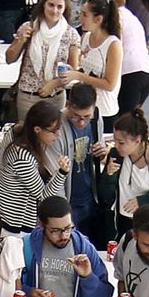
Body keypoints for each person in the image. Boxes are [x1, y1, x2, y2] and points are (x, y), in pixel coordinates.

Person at [18, 194, 113, 297]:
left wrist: (87, 277)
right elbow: (8, 286)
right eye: (55, 231)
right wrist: (28, 292)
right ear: (41, 225)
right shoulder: (27, 247)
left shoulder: (83, 248)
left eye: (68, 228)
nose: (63, 236)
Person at [93, 108, 149, 243]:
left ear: (137, 140)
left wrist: (143, 201)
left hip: (147, 225)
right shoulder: (116, 155)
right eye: (115, 141)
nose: (116, 146)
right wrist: (109, 176)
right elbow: (105, 195)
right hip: (119, 223)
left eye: (121, 142)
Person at [0, 101, 66, 233]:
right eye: (53, 131)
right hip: (13, 225)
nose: (58, 135)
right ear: (37, 130)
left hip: (0, 211)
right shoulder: (23, 157)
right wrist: (62, 172)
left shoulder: (15, 131)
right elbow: (43, 196)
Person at [4, 0, 75, 107]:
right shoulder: (28, 27)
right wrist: (21, 41)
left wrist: (53, 84)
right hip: (28, 97)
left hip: (55, 98)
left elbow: (73, 70)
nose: (54, 10)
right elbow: (9, 58)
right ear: (43, 5)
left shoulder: (71, 34)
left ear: (64, 9)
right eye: (51, 5)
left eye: (59, 7)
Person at [56, 82, 104, 239]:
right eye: (76, 116)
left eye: (86, 117)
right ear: (68, 104)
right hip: (68, 199)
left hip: (90, 195)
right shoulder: (57, 125)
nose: (82, 122)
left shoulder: (97, 119)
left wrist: (102, 153)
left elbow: (98, 149)